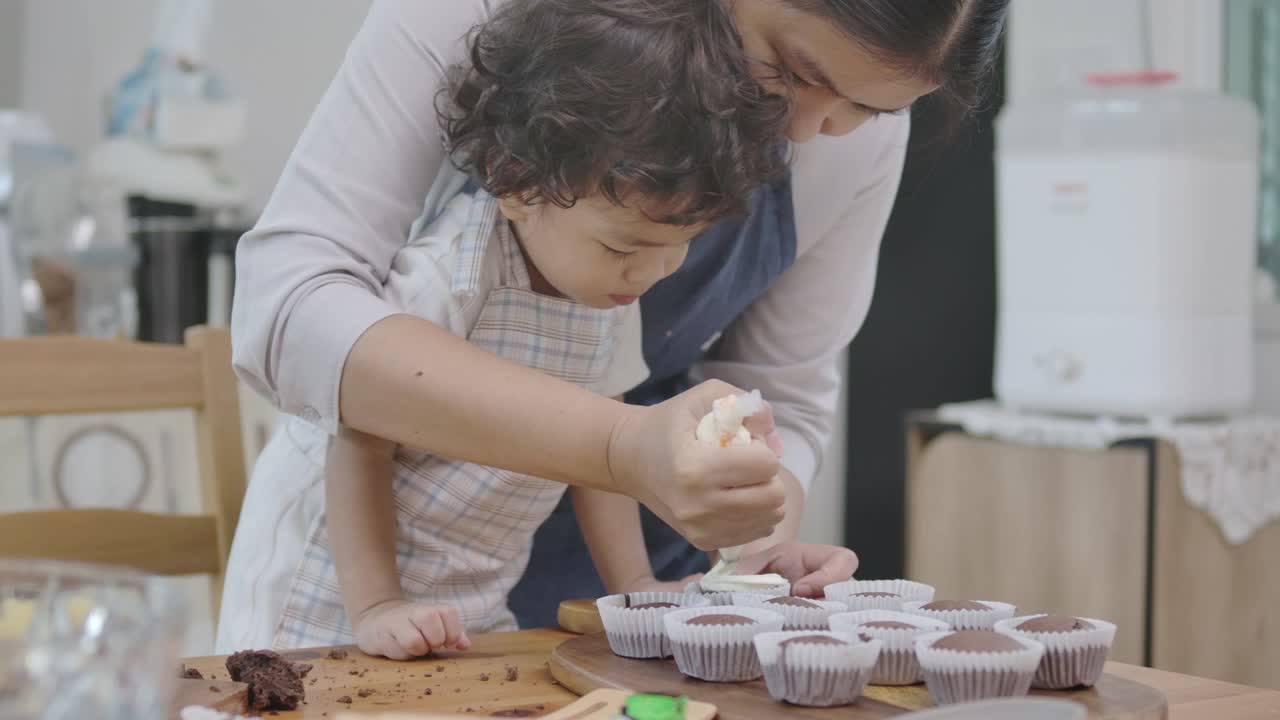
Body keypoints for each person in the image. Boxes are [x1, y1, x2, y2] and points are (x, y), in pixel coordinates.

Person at [230, 0, 1010, 631]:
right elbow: (291, 313)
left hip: (615, 589)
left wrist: (753, 537)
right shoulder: (460, 250)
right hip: (363, 584)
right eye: (794, 71)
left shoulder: (840, 136)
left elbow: (779, 396)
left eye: (865, 111)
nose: (805, 133)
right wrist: (621, 445)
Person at [216, 0, 792, 655]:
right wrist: (378, 603)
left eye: (679, 245)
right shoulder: (453, 274)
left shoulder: (610, 297)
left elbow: (608, 466)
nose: (652, 274)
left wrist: (635, 583)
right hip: (328, 594)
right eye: (625, 249)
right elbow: (358, 442)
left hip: (466, 606)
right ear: (517, 184)